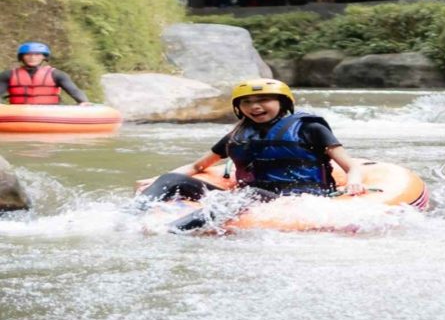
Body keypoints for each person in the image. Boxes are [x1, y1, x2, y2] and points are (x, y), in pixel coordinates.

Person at [135, 78, 366, 232]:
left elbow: (350, 166)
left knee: (247, 195)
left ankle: (172, 231)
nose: (254, 106)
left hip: (297, 196)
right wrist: (157, 179)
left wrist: (354, 182)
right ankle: (127, 218)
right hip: (249, 193)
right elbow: (198, 166)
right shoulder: (238, 135)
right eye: (247, 102)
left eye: (263, 100)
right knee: (170, 180)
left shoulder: (310, 128)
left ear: (282, 103)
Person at [0, 42, 91, 105]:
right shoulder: (8, 75)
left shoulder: (57, 74)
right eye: (28, 54)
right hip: (19, 113)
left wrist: (83, 101)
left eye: (37, 55)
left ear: (44, 57)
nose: (32, 58)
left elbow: (74, 91)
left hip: (48, 112)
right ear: (22, 57)